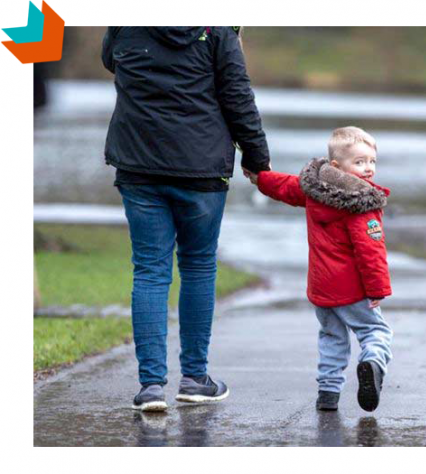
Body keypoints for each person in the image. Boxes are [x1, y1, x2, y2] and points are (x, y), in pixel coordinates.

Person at [101, 26, 270, 411]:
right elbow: (237, 96)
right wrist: (257, 158)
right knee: (196, 266)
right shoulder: (217, 29)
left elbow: (111, 61)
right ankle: (195, 379)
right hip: (200, 167)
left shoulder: (125, 22)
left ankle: (151, 387)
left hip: (139, 164)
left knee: (149, 271)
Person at [246, 126, 393, 412]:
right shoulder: (362, 202)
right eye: (359, 162)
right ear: (337, 166)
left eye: (372, 161)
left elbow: (286, 186)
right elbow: (371, 251)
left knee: (331, 337)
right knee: (376, 331)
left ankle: (328, 393)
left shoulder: (316, 190)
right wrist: (378, 290)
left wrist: (260, 178)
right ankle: (372, 364)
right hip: (353, 289)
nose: (368, 169)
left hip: (321, 288)